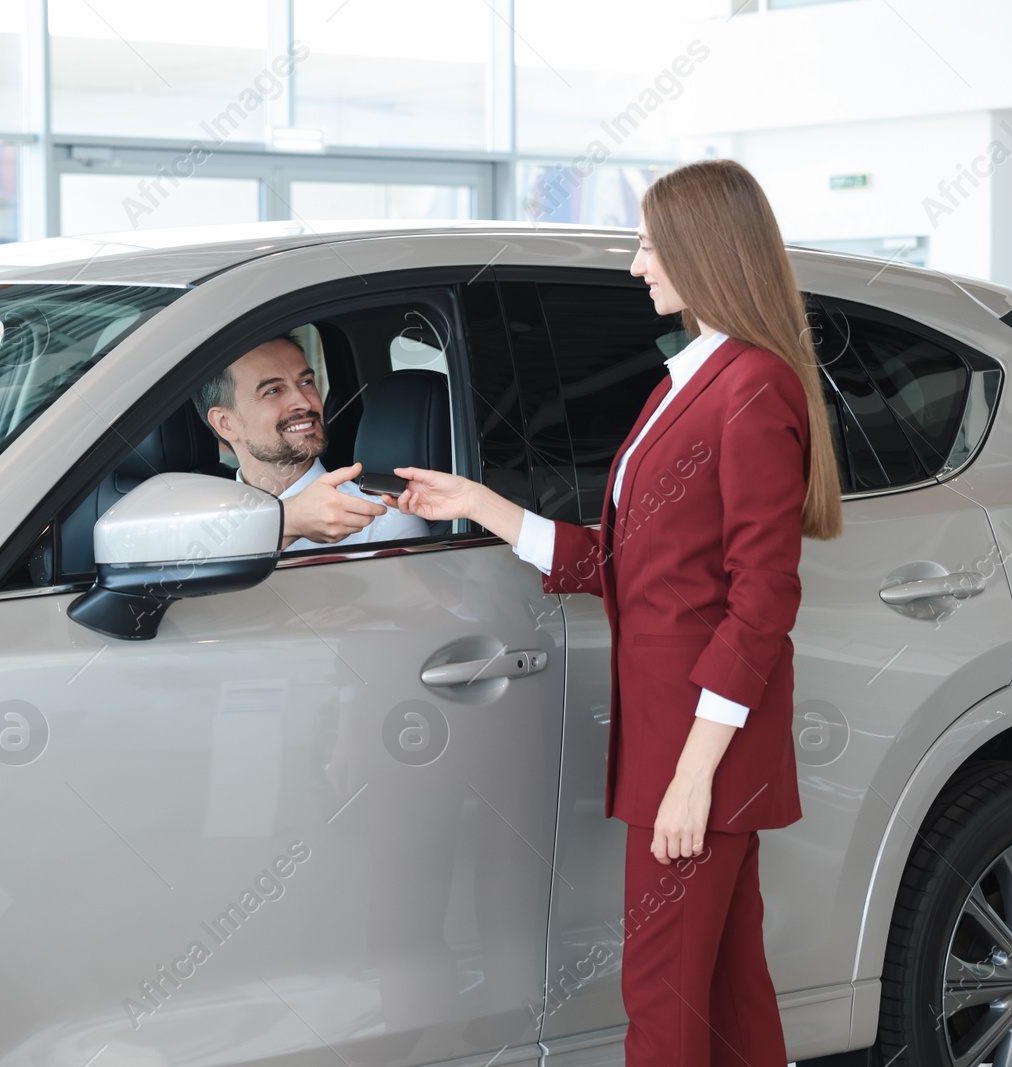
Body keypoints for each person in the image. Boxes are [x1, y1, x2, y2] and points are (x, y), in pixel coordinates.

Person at [380, 158, 843, 1067]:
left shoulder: (750, 388)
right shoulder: (691, 380)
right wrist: (482, 504)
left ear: (704, 250)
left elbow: (762, 602)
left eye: (649, 243)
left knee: (664, 1000)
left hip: (698, 751)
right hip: (686, 744)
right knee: (727, 996)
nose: (637, 266)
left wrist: (693, 773)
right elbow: (627, 565)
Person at [198, 335, 428, 551]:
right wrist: (286, 522)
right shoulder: (195, 522)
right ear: (225, 423)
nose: (304, 402)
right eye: (273, 390)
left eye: (306, 382)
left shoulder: (381, 521)